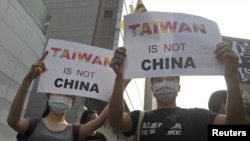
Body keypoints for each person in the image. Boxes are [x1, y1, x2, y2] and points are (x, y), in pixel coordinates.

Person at [108, 42, 245, 141]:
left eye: (171, 79)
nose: (165, 82)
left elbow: (234, 126)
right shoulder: (140, 118)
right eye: (159, 80)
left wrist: (231, 78)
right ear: (152, 89)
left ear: (179, 87)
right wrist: (120, 78)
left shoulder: (198, 116)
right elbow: (116, 121)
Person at [7, 50, 109, 141]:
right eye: (58, 91)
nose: (62, 96)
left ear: (72, 101)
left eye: (66, 94)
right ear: (49, 95)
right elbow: (13, 121)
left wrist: (119, 83)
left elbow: (99, 122)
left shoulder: (75, 131)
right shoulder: (32, 124)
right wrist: (28, 79)